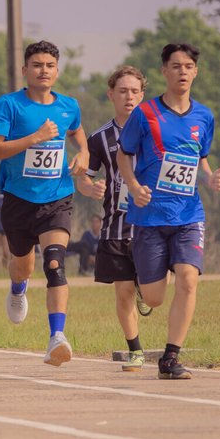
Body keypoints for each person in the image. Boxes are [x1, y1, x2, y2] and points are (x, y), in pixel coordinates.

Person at [118, 42, 220, 380]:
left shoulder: (204, 115)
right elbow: (124, 154)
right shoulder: (145, 113)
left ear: (196, 72)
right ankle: (144, 283)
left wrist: (209, 178)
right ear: (164, 71)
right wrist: (134, 187)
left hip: (189, 214)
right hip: (150, 216)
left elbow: (201, 156)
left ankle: (170, 356)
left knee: (188, 280)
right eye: (176, 66)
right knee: (155, 297)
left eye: (188, 66)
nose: (182, 72)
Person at [0, 40, 89, 366]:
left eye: (49, 66)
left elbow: (76, 131)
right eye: (37, 65)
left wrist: (84, 152)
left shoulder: (69, 105)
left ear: (57, 71)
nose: (43, 71)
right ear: (25, 70)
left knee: (55, 263)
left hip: (57, 196)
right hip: (18, 198)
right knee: (23, 264)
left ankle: (56, 336)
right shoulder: (9, 105)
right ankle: (18, 288)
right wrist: (34, 138)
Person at [77, 65, 152, 372]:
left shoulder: (155, 131)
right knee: (122, 292)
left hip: (152, 225)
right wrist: (89, 187)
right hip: (116, 228)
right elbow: (84, 178)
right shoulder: (100, 138)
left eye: (135, 91)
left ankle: (145, 289)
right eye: (123, 91)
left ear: (142, 95)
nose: (129, 97)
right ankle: (135, 350)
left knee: (152, 291)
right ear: (111, 95)